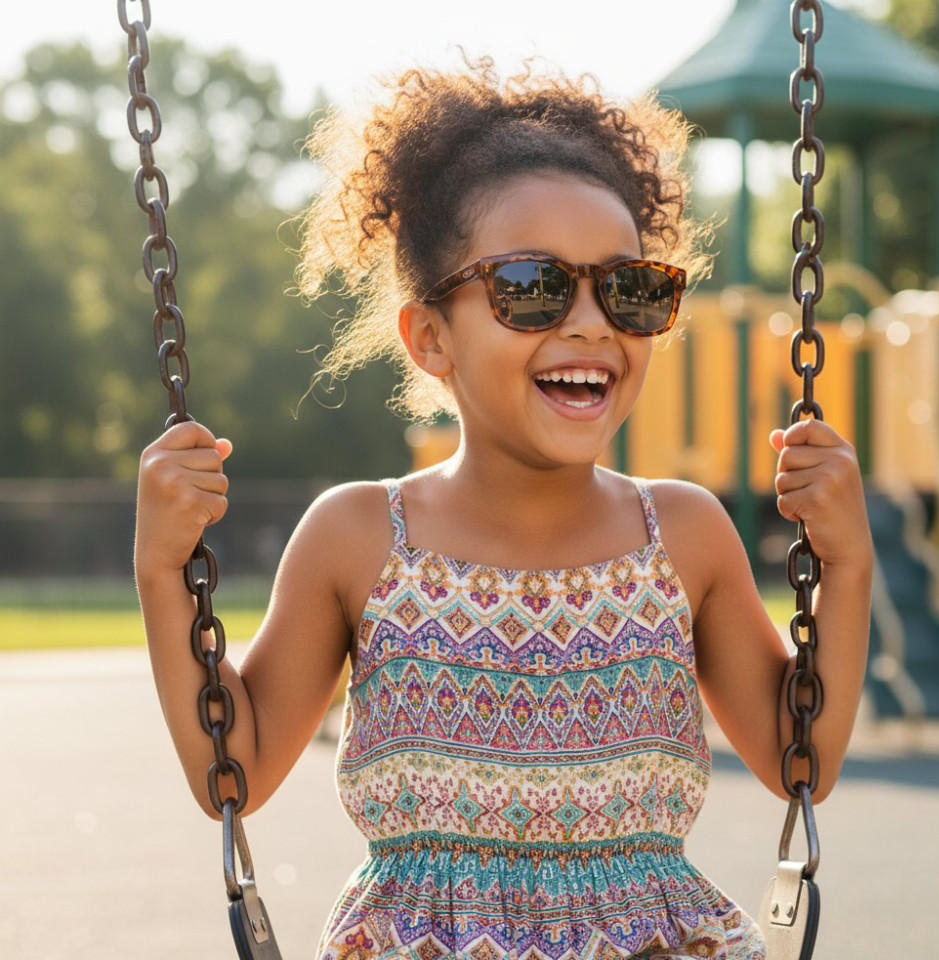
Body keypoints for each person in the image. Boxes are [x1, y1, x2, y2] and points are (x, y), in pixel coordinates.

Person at [134, 58, 872, 960]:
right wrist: (163, 571)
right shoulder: (359, 537)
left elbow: (804, 756)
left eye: (629, 288)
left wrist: (847, 566)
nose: (591, 322)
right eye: (533, 287)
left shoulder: (682, 535)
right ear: (431, 337)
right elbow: (231, 774)